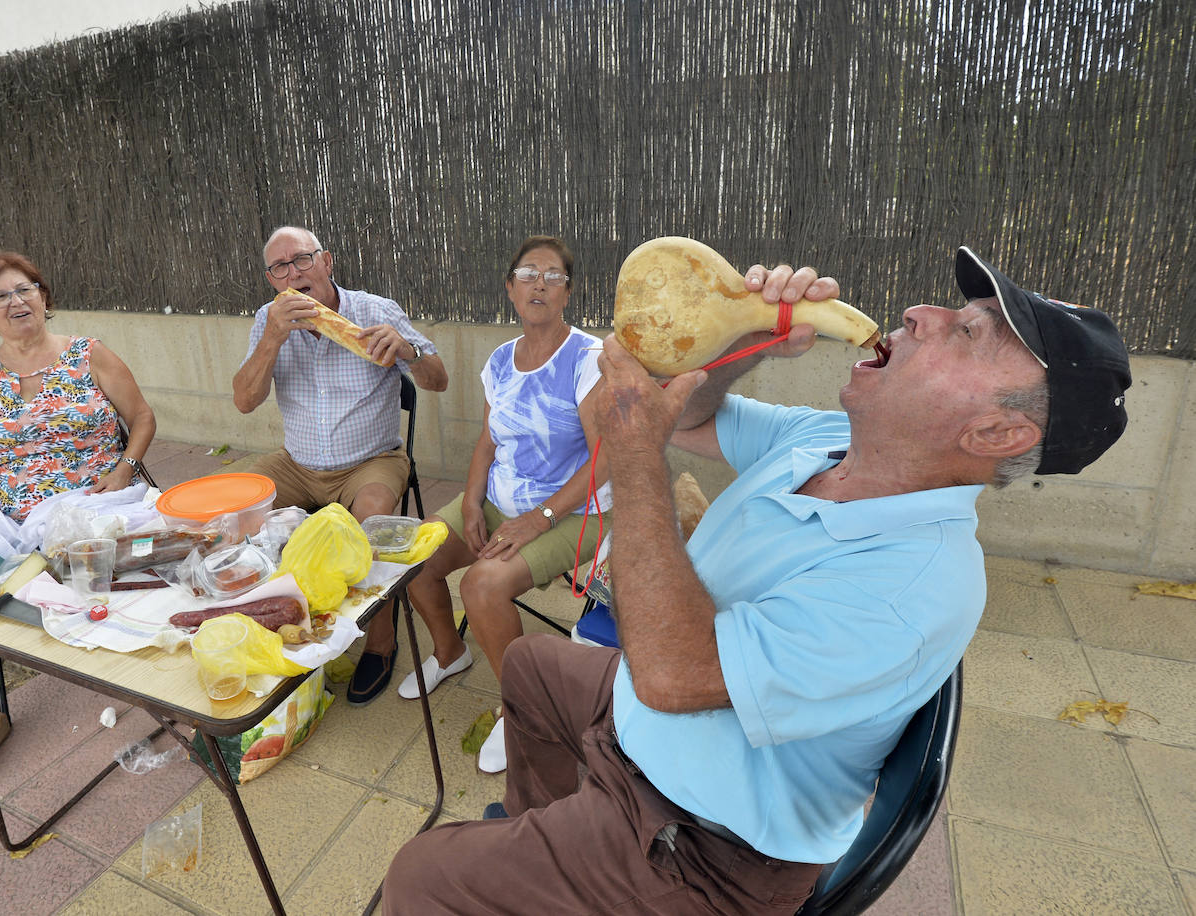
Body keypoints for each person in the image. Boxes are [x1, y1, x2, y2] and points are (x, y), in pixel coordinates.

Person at [381, 247, 1131, 913]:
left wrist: (632, 451)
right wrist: (742, 342)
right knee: (529, 666)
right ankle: (540, 856)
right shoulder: (833, 439)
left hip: (701, 847)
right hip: (653, 733)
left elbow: (672, 675)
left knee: (416, 878)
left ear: (997, 434)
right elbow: (693, 420)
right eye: (954, 309)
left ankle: (553, 866)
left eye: (968, 333)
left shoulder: (917, 586)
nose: (921, 312)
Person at [0, 249, 156, 789]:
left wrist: (125, 468)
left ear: (44, 298)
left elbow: (141, 418)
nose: (16, 301)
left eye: (25, 288)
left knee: (156, 583)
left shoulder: (88, 353)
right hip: (11, 520)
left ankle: (176, 696)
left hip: (97, 510)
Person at [399, 235, 612, 774]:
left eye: (553, 275)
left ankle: (522, 709)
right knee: (418, 553)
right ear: (510, 288)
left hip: (575, 510)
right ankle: (451, 651)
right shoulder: (498, 361)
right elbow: (489, 441)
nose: (539, 283)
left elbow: (606, 459)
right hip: (501, 501)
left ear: (568, 292)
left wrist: (537, 519)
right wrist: (470, 500)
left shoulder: (588, 359)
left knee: (482, 584)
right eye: (528, 273)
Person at [232, 225, 448, 704]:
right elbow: (244, 400)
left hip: (371, 459)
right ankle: (276, 621)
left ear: (326, 262)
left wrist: (408, 351)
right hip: (298, 462)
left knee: (372, 521)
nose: (294, 273)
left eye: (303, 260)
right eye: (280, 268)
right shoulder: (268, 320)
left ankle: (380, 639)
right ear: (272, 280)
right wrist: (271, 337)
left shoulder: (375, 310)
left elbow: (438, 380)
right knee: (232, 512)